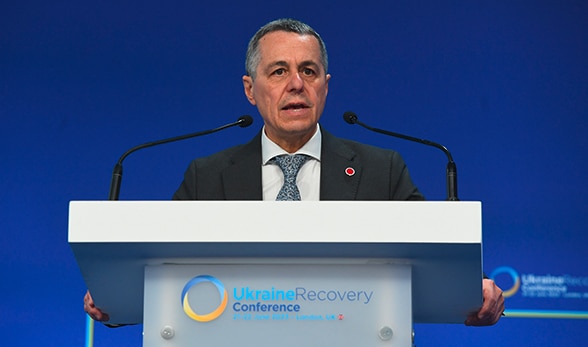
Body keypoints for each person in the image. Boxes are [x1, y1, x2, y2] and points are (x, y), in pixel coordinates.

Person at [85, 18, 504, 326]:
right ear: (251, 90)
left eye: (309, 71)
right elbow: (163, 269)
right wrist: (116, 297)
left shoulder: (382, 169)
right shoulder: (208, 176)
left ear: (325, 85)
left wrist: (476, 288)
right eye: (279, 71)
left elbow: (433, 252)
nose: (296, 84)